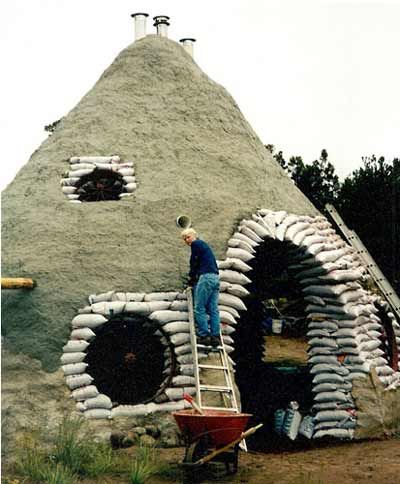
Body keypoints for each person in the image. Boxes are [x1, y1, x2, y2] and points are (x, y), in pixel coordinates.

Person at [181, 228, 221, 347]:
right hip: (215, 278)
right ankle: (215, 336)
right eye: (184, 239)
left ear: (194, 236)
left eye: (188, 237)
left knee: (199, 307)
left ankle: (204, 335)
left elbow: (194, 263)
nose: (187, 241)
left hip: (206, 278)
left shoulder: (196, 244)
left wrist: (191, 280)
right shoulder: (204, 246)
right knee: (213, 309)